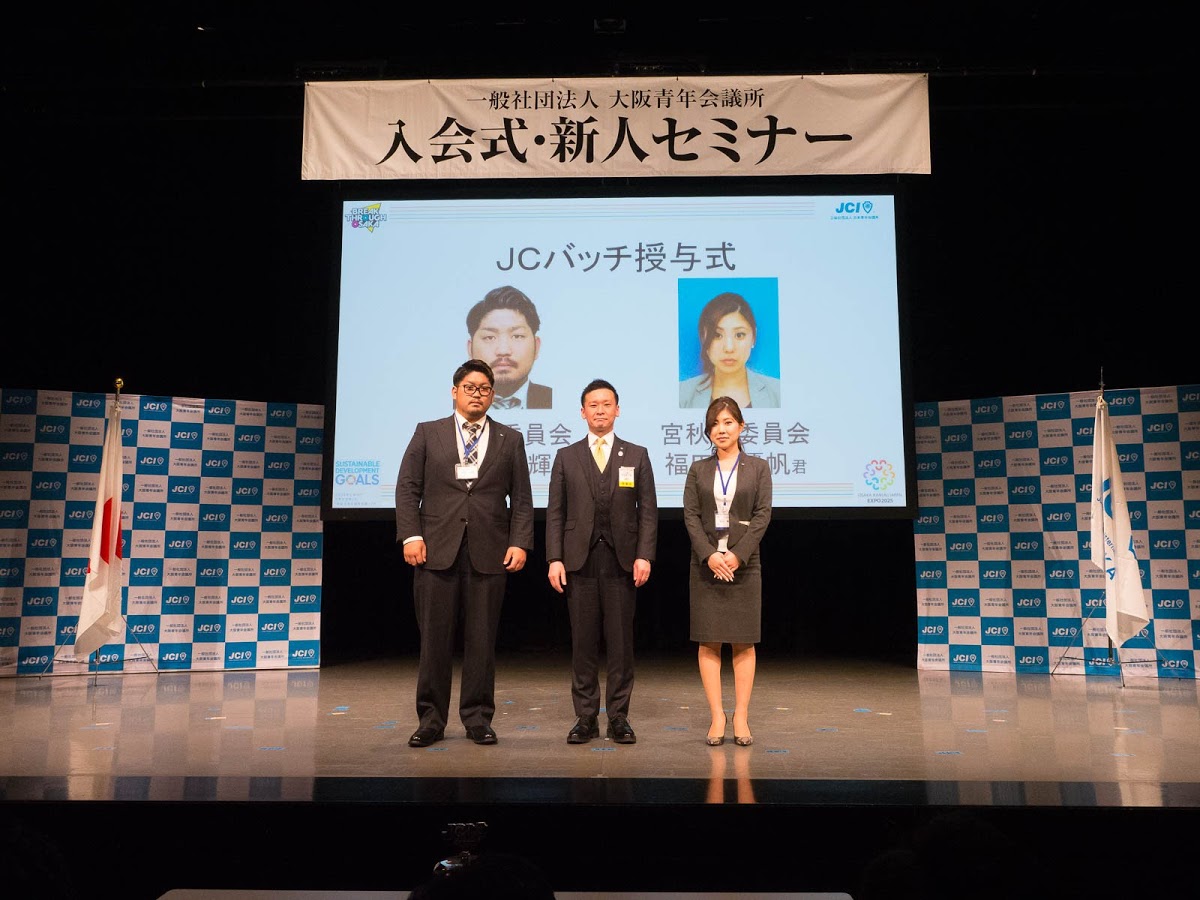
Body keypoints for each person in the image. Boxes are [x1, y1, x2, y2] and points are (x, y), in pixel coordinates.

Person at [395, 358, 535, 747]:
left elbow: (522, 499)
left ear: (493, 395)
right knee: (434, 642)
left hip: (490, 553)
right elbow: (407, 488)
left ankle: (477, 718)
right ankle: (430, 720)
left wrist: (519, 541)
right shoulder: (429, 432)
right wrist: (411, 536)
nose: (478, 394)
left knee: (482, 642)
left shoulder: (509, 439)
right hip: (435, 551)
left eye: (485, 389)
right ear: (455, 391)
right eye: (470, 388)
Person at [546, 379, 657, 745]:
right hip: (578, 562)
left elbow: (648, 512)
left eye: (606, 404)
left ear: (617, 410)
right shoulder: (566, 456)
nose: (600, 410)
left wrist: (644, 554)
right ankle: (586, 717)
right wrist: (554, 558)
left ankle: (619, 717)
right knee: (583, 643)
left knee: (621, 644)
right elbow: (556, 512)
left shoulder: (636, 454)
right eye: (593, 405)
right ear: (582, 412)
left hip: (622, 562)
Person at [682, 396, 772, 747]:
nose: (721, 429)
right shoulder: (698, 470)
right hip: (706, 565)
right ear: (708, 431)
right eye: (715, 424)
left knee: (743, 642)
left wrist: (738, 554)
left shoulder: (758, 468)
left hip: (743, 565)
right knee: (709, 641)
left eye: (728, 422)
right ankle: (717, 714)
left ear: (741, 427)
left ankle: (741, 715)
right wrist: (709, 555)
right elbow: (691, 516)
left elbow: (762, 515)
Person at [679, 292, 781, 409]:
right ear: (703, 337)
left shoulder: (778, 392)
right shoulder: (682, 394)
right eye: (717, 335)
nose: (729, 348)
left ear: (753, 337)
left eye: (739, 335)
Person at [466, 285, 552, 409]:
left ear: (536, 347)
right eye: (490, 337)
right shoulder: (453, 402)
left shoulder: (553, 400)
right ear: (470, 349)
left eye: (517, 336)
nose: (503, 351)